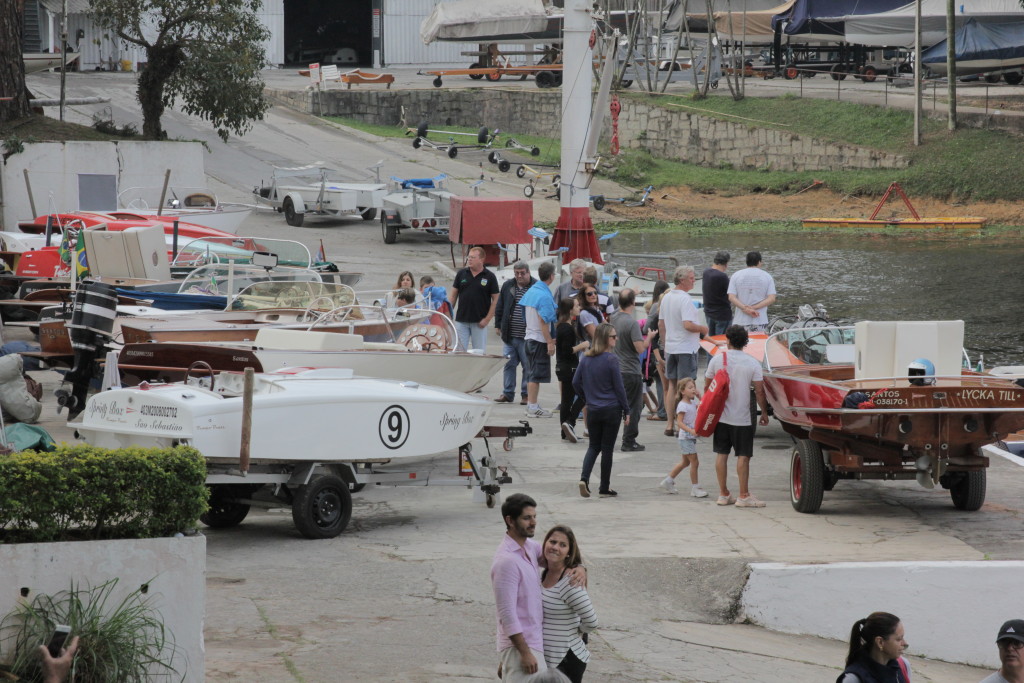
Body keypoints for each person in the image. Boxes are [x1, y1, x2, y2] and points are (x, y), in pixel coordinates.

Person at [706, 325, 770, 507]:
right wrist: (764, 412)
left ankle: (723, 494)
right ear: (746, 342)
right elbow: (759, 392)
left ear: (727, 340)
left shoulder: (717, 359)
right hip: (742, 417)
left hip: (721, 417)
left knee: (722, 453)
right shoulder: (752, 363)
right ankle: (743, 495)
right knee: (743, 455)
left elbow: (708, 385)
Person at [493, 493, 547, 681]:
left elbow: (558, 559)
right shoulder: (506, 561)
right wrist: (523, 653)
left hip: (534, 643)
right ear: (510, 520)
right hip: (522, 647)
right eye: (526, 518)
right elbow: (507, 614)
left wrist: (579, 567)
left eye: (534, 517)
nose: (533, 522)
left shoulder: (530, 547)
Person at [574, 323, 630, 498]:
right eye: (613, 336)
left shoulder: (586, 358)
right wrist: (626, 410)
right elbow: (619, 388)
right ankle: (604, 487)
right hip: (611, 409)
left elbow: (575, 382)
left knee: (593, 447)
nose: (616, 339)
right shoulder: (611, 359)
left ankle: (584, 478)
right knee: (607, 449)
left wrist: (587, 397)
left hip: (594, 410)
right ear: (606, 339)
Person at [541, 525, 597, 683]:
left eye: (562, 545)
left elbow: (592, 621)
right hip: (549, 658)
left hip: (565, 659)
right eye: (552, 542)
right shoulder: (545, 573)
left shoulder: (570, 582)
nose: (555, 547)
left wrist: (576, 632)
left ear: (569, 553)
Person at [658, 266, 708, 438]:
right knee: (686, 387)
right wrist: (703, 328)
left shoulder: (666, 297)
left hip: (671, 348)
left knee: (672, 386)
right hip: (686, 347)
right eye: (692, 278)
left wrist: (665, 346)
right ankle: (682, 425)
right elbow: (688, 325)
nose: (694, 281)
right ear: (682, 280)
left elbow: (661, 325)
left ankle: (670, 424)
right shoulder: (685, 299)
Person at [608, 288, 647, 452]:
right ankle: (629, 440)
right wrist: (649, 338)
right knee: (634, 406)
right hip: (630, 370)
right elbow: (639, 349)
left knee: (617, 405)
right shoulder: (632, 323)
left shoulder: (614, 317)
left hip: (616, 368)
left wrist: (632, 293)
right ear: (633, 303)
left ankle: (609, 437)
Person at [519, 261, 558, 418]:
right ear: (552, 276)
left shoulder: (531, 291)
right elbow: (544, 320)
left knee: (530, 373)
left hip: (528, 337)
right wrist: (550, 341)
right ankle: (533, 407)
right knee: (536, 375)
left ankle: (531, 405)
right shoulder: (544, 295)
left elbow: (523, 313)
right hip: (538, 339)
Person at [495, 262, 537, 405]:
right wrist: (497, 324)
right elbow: (500, 305)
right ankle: (507, 393)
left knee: (528, 366)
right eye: (517, 273)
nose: (519, 276)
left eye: (522, 273)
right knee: (508, 364)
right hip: (509, 335)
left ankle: (525, 395)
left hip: (528, 336)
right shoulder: (508, 286)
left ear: (528, 272)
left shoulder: (535, 287)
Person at [660, 378, 708, 497]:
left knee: (685, 462)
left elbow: (704, 407)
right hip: (685, 438)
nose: (693, 389)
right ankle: (695, 488)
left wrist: (700, 396)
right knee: (694, 462)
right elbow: (679, 422)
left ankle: (668, 481)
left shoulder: (692, 403)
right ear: (682, 391)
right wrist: (691, 430)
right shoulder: (682, 406)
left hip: (689, 437)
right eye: (690, 388)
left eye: (694, 387)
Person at [837, 612, 912, 683]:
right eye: (899, 639)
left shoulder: (903, 666)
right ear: (880, 642)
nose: (905, 643)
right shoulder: (854, 678)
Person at [450, 246, 499, 353]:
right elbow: (453, 296)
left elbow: (496, 300)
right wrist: (448, 315)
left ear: (481, 259)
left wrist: (487, 319)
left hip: (479, 323)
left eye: (472, 257)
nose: (469, 259)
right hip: (461, 321)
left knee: (479, 353)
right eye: (469, 257)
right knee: (458, 352)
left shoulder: (490, 277)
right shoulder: (461, 274)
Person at [556, 297, 589, 443]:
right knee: (584, 394)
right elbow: (566, 351)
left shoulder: (562, 326)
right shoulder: (567, 328)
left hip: (563, 367)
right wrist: (582, 346)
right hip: (569, 367)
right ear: (570, 310)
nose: (579, 307)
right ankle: (570, 422)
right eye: (576, 306)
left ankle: (565, 430)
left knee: (566, 400)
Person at [643, 280, 671, 423]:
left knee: (661, 383)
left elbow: (646, 328)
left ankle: (662, 411)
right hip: (668, 348)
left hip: (658, 349)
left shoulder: (655, 306)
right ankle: (667, 410)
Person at [727, 251, 776, 332]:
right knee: (759, 344)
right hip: (760, 320)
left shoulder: (736, 275)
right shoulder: (767, 276)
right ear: (759, 262)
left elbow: (731, 297)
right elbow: (771, 298)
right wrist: (753, 308)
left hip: (740, 321)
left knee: (739, 344)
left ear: (747, 262)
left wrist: (746, 308)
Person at [702, 251, 732, 336]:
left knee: (713, 340)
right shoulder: (722, 276)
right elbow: (731, 293)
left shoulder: (706, 272)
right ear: (726, 263)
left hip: (709, 312)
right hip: (722, 314)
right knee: (722, 340)